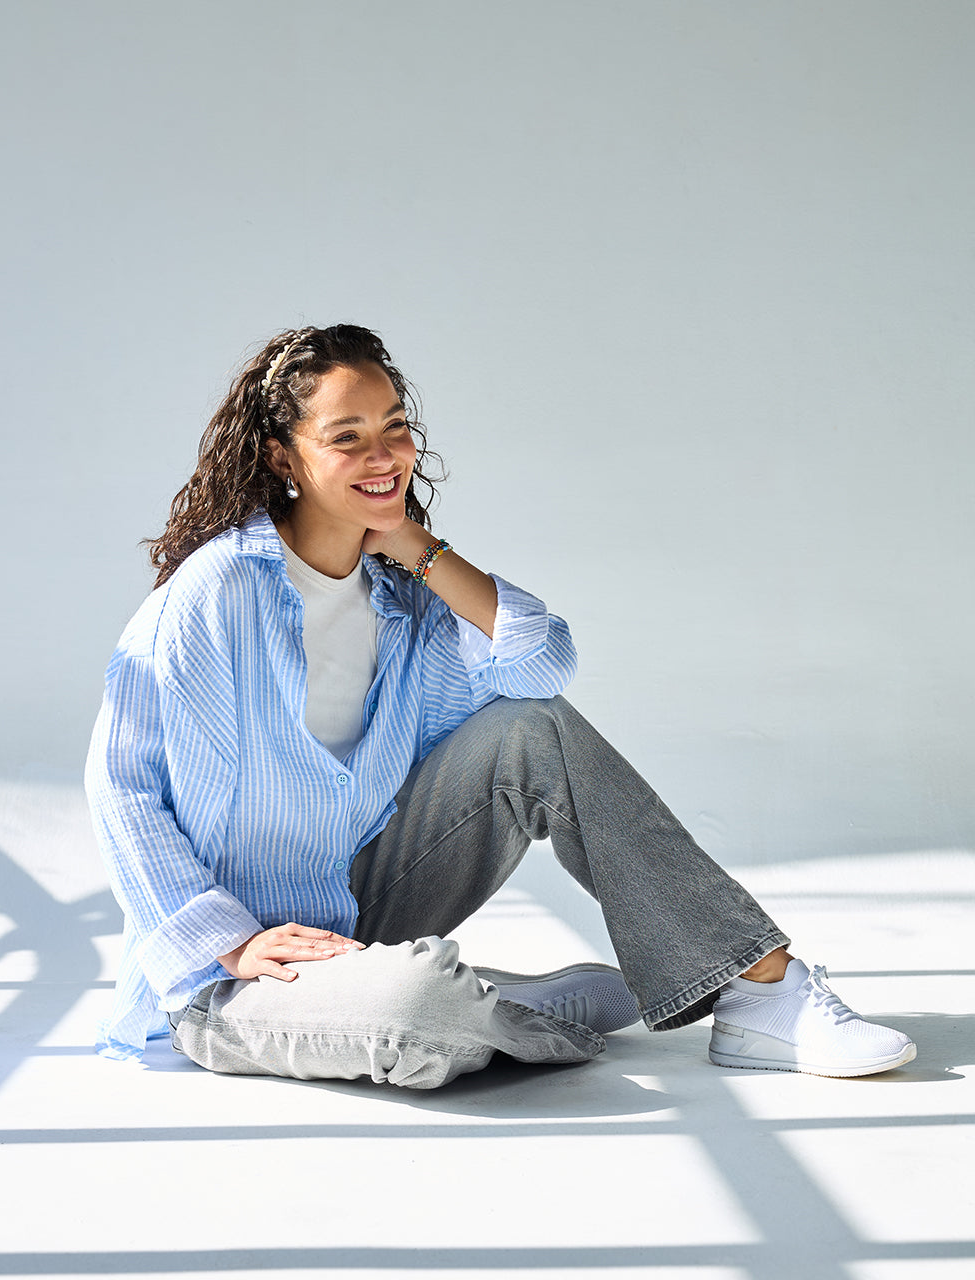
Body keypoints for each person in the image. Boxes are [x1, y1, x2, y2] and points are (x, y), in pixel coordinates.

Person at [85, 323, 916, 1089]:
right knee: (411, 1011)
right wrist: (224, 939)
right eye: (346, 437)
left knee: (532, 732)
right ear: (281, 458)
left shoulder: (400, 602)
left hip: (359, 905)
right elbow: (120, 784)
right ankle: (492, 1006)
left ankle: (760, 989)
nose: (385, 456)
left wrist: (422, 550)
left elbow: (541, 671)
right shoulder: (215, 593)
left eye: (395, 427)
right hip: (233, 978)